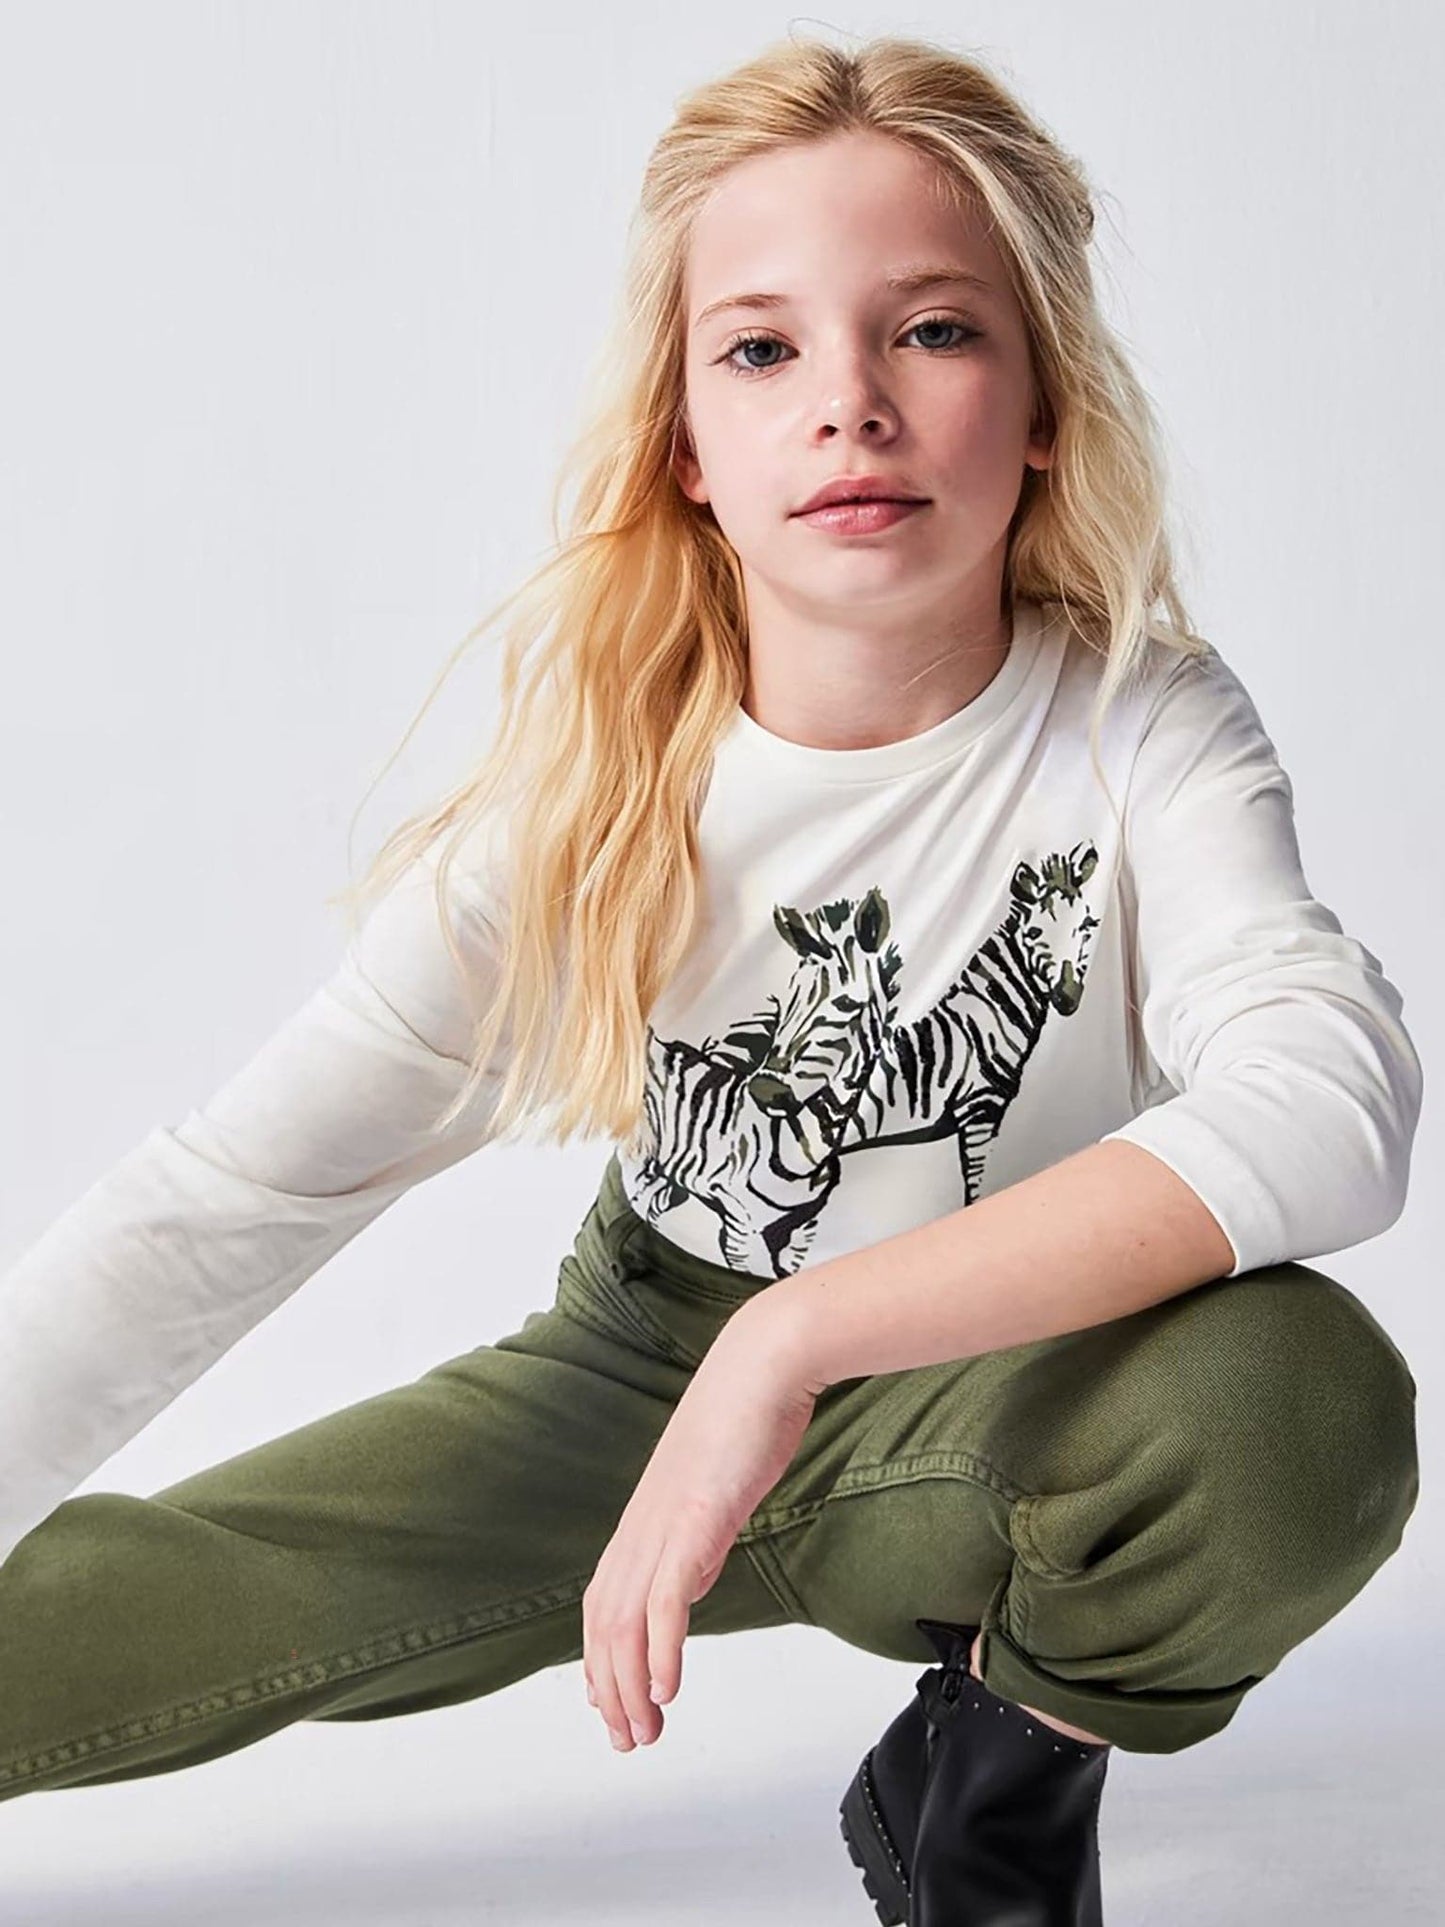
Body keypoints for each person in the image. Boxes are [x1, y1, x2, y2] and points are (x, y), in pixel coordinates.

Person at [0, 30, 1421, 1925]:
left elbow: (1328, 1104)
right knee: (122, 1622)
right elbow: (228, 1200)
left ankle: (993, 1800)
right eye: (761, 350)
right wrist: (730, 1346)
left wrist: (795, 1344)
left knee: (1292, 1406)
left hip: (1002, 1397)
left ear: (1043, 404)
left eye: (933, 331)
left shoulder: (1140, 723)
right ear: (684, 442)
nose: (850, 407)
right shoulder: (597, 804)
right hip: (638, 1364)